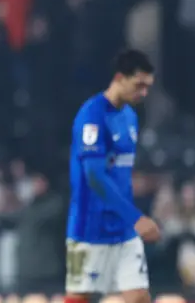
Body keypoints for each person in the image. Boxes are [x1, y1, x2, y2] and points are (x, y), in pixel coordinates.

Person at [66, 49, 161, 303]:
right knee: (78, 298)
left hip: (122, 230)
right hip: (89, 228)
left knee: (140, 297)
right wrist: (137, 218)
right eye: (139, 85)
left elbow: (119, 174)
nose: (144, 93)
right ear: (119, 77)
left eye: (148, 86)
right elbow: (94, 176)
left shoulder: (130, 116)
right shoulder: (92, 115)